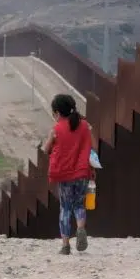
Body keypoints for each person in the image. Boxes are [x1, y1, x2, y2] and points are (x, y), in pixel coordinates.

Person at [42, 94, 93, 255]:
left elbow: (45, 149)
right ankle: (80, 228)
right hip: (82, 173)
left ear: (57, 113)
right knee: (79, 205)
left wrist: (50, 137)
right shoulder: (85, 126)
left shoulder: (57, 129)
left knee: (65, 208)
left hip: (64, 175)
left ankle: (65, 245)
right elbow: (92, 145)